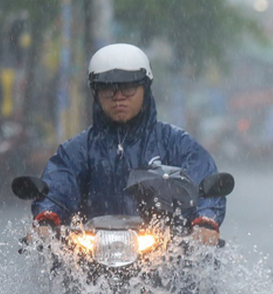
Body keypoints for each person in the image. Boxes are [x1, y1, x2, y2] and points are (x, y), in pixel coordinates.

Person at [29, 43, 224, 245]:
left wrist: (205, 222)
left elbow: (203, 182)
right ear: (96, 93)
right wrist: (46, 218)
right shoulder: (76, 151)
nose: (118, 97)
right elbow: (58, 184)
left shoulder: (177, 143)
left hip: (165, 255)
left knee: (194, 269)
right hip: (88, 254)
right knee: (55, 268)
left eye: (128, 88)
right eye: (108, 89)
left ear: (145, 89)